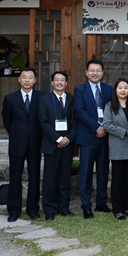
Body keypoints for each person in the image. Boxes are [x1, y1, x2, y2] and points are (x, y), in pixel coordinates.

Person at [2, 68, 46, 222]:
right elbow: (7, 121)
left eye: (30, 77)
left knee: (34, 176)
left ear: (35, 80)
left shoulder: (42, 97)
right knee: (15, 177)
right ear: (19, 80)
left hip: (35, 142)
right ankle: (14, 210)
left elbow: (43, 119)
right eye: (24, 77)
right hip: (17, 142)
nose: (27, 80)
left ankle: (33, 209)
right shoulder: (10, 98)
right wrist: (18, 133)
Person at [74, 59, 113, 219]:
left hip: (105, 137)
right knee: (86, 172)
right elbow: (79, 111)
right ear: (86, 72)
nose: (95, 73)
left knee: (103, 172)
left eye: (98, 70)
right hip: (88, 137)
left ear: (103, 73)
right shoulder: (80, 90)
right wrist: (97, 127)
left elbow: (113, 110)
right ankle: (86, 205)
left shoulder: (109, 89)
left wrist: (105, 127)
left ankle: (101, 203)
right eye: (92, 70)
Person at [38, 71, 77, 221]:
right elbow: (43, 122)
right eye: (57, 80)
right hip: (51, 144)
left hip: (67, 145)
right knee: (50, 178)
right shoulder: (44, 100)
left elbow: (76, 121)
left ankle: (64, 207)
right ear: (52, 83)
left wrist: (68, 138)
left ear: (66, 83)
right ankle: (49, 209)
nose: (60, 82)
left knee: (64, 178)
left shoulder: (72, 100)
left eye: (63, 80)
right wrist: (58, 138)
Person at [103, 78, 128, 221]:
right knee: (117, 180)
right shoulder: (110, 105)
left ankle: (126, 206)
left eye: (126, 87)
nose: (123, 90)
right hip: (117, 146)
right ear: (115, 90)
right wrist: (125, 132)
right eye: (120, 87)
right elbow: (107, 125)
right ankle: (117, 209)